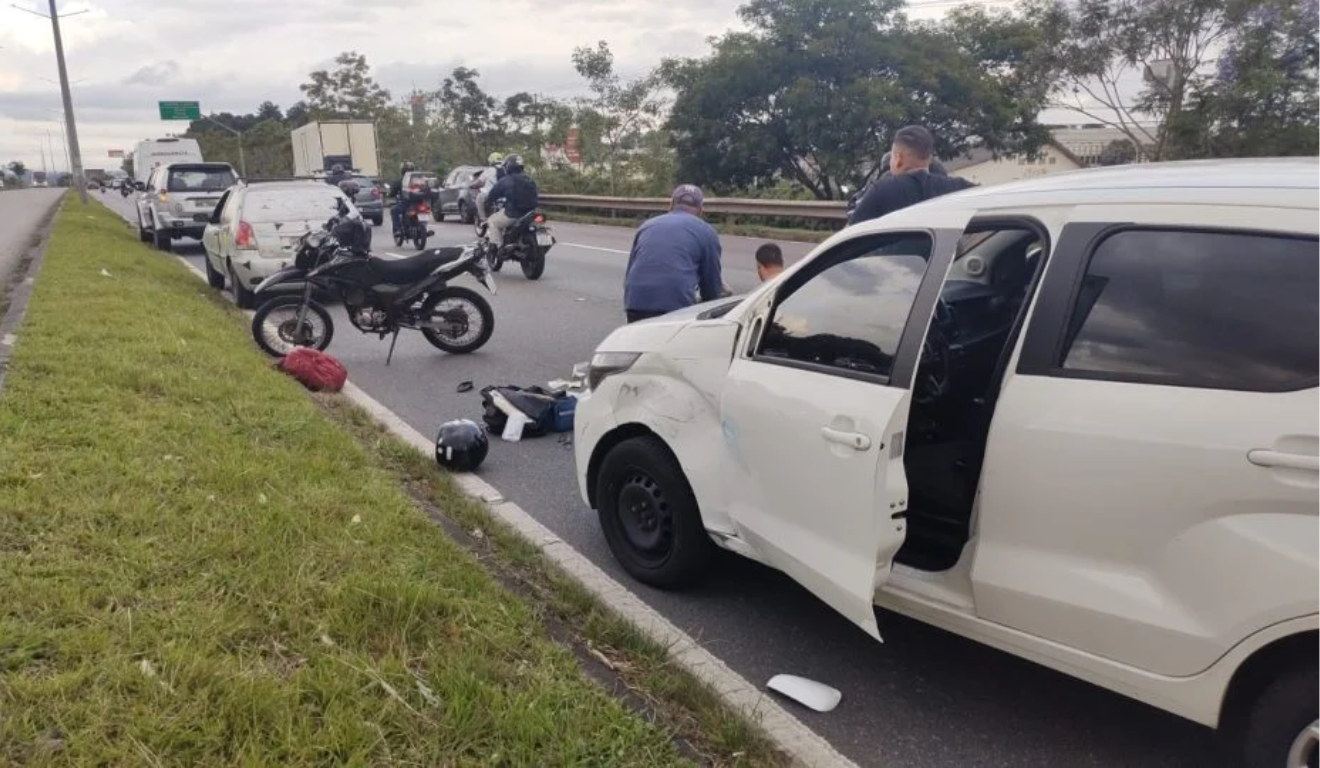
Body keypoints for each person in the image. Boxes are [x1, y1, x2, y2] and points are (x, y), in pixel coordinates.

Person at [623, 185, 723, 324]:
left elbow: (630, 274)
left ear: (670, 205)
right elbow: (711, 284)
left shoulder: (646, 226)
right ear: (701, 210)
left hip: (635, 304)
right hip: (674, 309)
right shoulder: (706, 232)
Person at [848, 126, 973, 226]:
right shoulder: (960, 188)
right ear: (929, 158)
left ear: (898, 159)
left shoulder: (881, 190)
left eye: (892, 156)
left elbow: (850, 235)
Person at [483, 154, 539, 248]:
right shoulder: (529, 179)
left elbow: (493, 194)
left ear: (508, 166)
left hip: (513, 214)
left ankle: (498, 247)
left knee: (492, 221)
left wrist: (487, 202)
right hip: (530, 213)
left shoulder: (506, 180)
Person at [390, 161, 417, 234]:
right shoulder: (418, 179)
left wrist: (390, 195)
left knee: (393, 210)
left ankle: (397, 230)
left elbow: (392, 193)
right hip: (419, 203)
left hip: (407, 204)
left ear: (402, 171)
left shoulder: (400, 181)